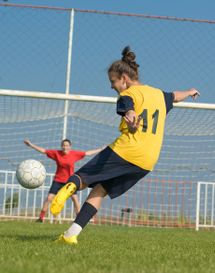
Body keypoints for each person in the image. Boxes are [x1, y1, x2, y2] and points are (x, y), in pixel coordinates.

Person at [51, 46, 200, 244]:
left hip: (127, 150)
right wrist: (190, 91)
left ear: (124, 78)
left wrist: (130, 118)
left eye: (113, 82)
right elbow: (175, 96)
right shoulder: (159, 95)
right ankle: (70, 236)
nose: (112, 86)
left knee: (82, 176)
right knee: (100, 190)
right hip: (147, 161)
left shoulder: (127, 94)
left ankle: (69, 187)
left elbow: (129, 109)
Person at [23, 139, 105, 222]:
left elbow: (87, 153)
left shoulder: (74, 154)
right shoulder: (56, 153)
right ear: (61, 146)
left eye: (67, 146)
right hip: (58, 180)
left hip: (70, 181)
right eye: (63, 145)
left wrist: (100, 149)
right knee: (49, 198)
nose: (65, 147)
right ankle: (40, 218)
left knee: (75, 199)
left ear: (70, 147)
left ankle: (79, 219)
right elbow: (44, 151)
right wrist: (31, 145)